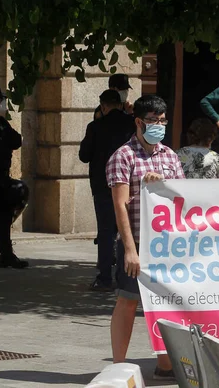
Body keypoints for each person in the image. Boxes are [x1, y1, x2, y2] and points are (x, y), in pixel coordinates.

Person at [106, 95, 184, 380]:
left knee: (166, 303)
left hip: (166, 245)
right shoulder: (123, 156)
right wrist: (129, 249)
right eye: (153, 121)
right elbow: (120, 204)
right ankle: (118, 365)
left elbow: (182, 196)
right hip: (138, 241)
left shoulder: (170, 156)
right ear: (139, 122)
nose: (159, 126)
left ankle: (166, 364)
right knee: (128, 301)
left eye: (163, 120)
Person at [79, 89, 135, 291]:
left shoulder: (95, 126)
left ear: (103, 106)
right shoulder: (132, 124)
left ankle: (104, 278)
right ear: (120, 104)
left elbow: (84, 155)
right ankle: (127, 276)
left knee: (105, 232)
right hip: (129, 184)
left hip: (103, 186)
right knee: (129, 229)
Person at [0, 85, 29, 269]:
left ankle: (6, 255)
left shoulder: (1, 124)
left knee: (4, 213)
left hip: (1, 180)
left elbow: (17, 141)